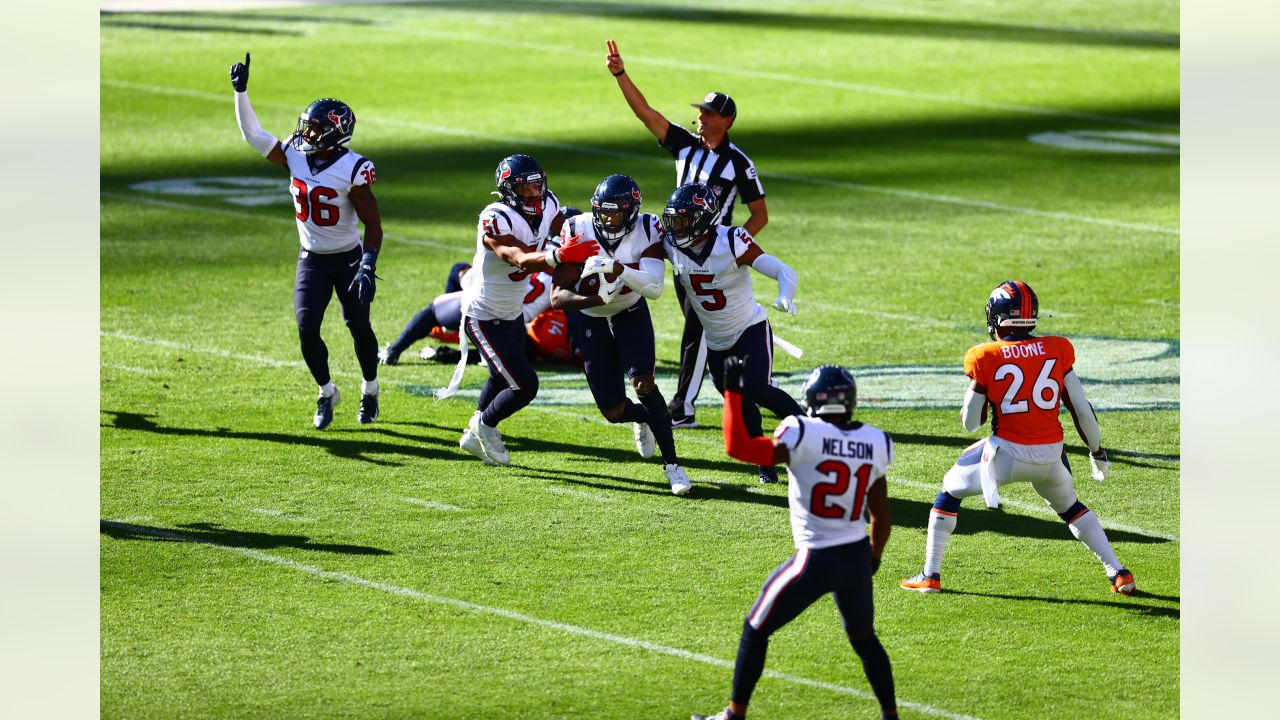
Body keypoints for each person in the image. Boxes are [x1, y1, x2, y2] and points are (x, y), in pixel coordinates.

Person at [901, 280, 1135, 595]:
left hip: (1004, 458)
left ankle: (930, 575)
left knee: (949, 491)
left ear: (995, 317)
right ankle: (1118, 573)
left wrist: (981, 387)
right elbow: (1082, 410)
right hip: (1051, 458)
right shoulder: (1057, 348)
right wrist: (1096, 451)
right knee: (1070, 506)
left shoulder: (985, 356)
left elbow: (970, 423)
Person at [695, 358, 898, 720]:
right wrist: (873, 558)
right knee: (864, 640)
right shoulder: (875, 441)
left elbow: (738, 447)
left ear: (812, 400)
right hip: (853, 558)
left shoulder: (801, 431)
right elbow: (880, 515)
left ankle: (733, 714)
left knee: (755, 628)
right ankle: (890, 716)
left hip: (815, 559)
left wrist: (732, 392)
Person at [606, 39, 768, 429]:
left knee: (698, 329)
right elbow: (646, 114)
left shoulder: (739, 163)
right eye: (701, 111)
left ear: (726, 120)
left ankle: (684, 406)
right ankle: (745, 391)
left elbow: (760, 215)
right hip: (680, 249)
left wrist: (731, 249)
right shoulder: (684, 145)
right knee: (702, 330)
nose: (700, 117)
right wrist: (620, 75)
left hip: (713, 253)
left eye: (708, 113)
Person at [229, 53, 383, 430]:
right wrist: (241, 92)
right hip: (311, 257)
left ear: (333, 134)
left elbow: (374, 226)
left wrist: (368, 264)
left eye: (314, 129)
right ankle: (327, 390)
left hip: (347, 256)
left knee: (358, 327)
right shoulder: (296, 155)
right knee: (306, 327)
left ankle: (371, 387)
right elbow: (254, 135)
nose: (305, 134)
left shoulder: (354, 168)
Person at [437, 155, 598, 466]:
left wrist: (593, 241)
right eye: (527, 190)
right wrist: (560, 255)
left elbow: (564, 229)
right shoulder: (495, 217)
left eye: (538, 187)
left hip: (513, 313)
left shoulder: (549, 202)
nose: (535, 195)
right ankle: (484, 426)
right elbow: (518, 257)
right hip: (482, 315)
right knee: (525, 385)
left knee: (500, 377)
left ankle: (474, 433)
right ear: (509, 191)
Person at [549, 175, 693, 496]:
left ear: (632, 211)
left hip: (630, 310)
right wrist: (596, 300)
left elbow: (654, 287)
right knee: (613, 412)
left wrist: (617, 269)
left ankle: (673, 466)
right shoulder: (578, 229)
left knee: (643, 383)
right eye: (604, 213)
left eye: (617, 214)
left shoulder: (647, 227)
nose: (609, 220)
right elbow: (557, 297)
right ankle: (644, 419)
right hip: (591, 318)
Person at [659, 183, 801, 484]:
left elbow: (783, 270)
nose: (675, 227)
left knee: (758, 389)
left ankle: (812, 436)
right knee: (739, 400)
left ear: (701, 219)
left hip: (749, 328)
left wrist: (785, 294)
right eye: (672, 220)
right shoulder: (671, 245)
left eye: (682, 220)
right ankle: (766, 463)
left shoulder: (732, 240)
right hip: (717, 341)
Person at [379, 208, 585, 366]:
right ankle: (462, 350)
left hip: (485, 299)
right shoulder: (571, 265)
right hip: (514, 317)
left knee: (437, 305)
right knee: (519, 354)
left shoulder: (533, 244)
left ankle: (395, 350)